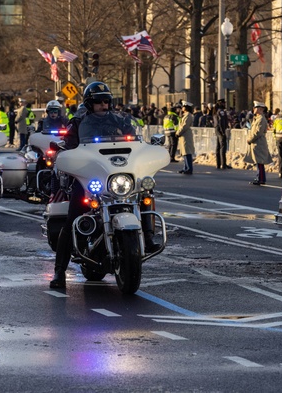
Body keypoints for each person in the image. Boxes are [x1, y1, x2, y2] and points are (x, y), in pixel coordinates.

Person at [49, 82, 157, 290]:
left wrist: (146, 147)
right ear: (90, 104)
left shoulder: (119, 120)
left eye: (106, 101)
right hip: (89, 180)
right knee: (72, 220)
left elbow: (135, 141)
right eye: (99, 102)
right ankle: (59, 271)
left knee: (145, 192)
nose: (104, 105)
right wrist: (64, 151)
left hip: (117, 177)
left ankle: (149, 235)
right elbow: (68, 147)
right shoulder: (78, 123)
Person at [246, 102, 272, 185]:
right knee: (258, 162)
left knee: (259, 161)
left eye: (256, 107)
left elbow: (258, 132)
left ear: (261, 109)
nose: (254, 109)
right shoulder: (257, 118)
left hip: (259, 143)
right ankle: (259, 177)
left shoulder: (261, 119)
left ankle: (260, 178)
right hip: (256, 143)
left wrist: (250, 139)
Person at [176, 101, 195, 174]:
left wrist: (178, 133)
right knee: (184, 152)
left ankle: (189, 168)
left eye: (183, 107)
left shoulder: (188, 115)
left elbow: (185, 126)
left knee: (187, 151)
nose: (182, 108)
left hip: (186, 135)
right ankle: (185, 167)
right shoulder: (184, 115)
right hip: (183, 135)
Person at [213, 99, 231, 169]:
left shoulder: (216, 111)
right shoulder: (221, 111)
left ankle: (218, 163)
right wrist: (223, 131)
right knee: (223, 147)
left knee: (218, 146)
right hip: (220, 130)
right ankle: (223, 164)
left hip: (217, 129)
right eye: (224, 103)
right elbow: (221, 122)